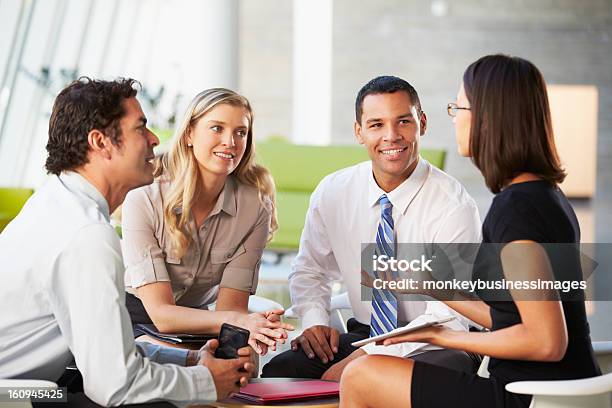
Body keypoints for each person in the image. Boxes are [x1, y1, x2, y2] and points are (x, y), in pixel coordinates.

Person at [339, 54, 601, 408]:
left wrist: (442, 335)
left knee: (361, 375)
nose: (455, 120)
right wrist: (428, 284)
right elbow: (512, 317)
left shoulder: (517, 211)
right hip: (560, 391)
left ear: (488, 119)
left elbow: (547, 342)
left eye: (459, 109)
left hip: (531, 398)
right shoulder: (542, 195)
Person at [0, 78, 255, 406]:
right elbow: (116, 385)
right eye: (140, 128)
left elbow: (104, 347)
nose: (154, 139)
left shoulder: (54, 202)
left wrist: (188, 361)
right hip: (10, 396)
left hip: (19, 387)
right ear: (101, 142)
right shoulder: (87, 235)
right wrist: (206, 381)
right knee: (156, 401)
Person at [262, 76, 482, 380]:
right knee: (283, 369)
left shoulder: (453, 205)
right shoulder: (334, 191)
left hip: (437, 343)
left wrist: (365, 359)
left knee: (371, 376)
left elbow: (450, 313)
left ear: (422, 123)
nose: (391, 136)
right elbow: (310, 270)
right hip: (367, 334)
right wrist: (314, 321)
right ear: (359, 132)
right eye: (377, 124)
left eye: (403, 121)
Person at [121, 88, 292, 355]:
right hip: (133, 319)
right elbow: (162, 316)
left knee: (241, 363)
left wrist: (253, 327)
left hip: (200, 323)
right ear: (189, 133)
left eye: (240, 132)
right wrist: (239, 322)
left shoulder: (255, 207)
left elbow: (231, 308)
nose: (230, 142)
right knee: (180, 363)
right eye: (217, 128)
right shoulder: (144, 198)